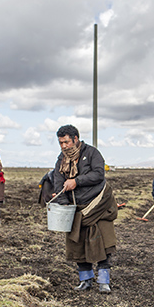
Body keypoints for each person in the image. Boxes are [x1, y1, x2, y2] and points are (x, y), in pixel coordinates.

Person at [51, 124, 118, 293]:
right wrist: (64, 203)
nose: (64, 146)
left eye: (66, 142)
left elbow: (98, 174)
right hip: (76, 209)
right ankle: (85, 281)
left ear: (76, 139)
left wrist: (77, 181)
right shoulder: (61, 159)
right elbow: (58, 181)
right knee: (78, 245)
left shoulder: (92, 153)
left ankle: (104, 282)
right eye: (61, 143)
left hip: (98, 206)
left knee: (103, 243)